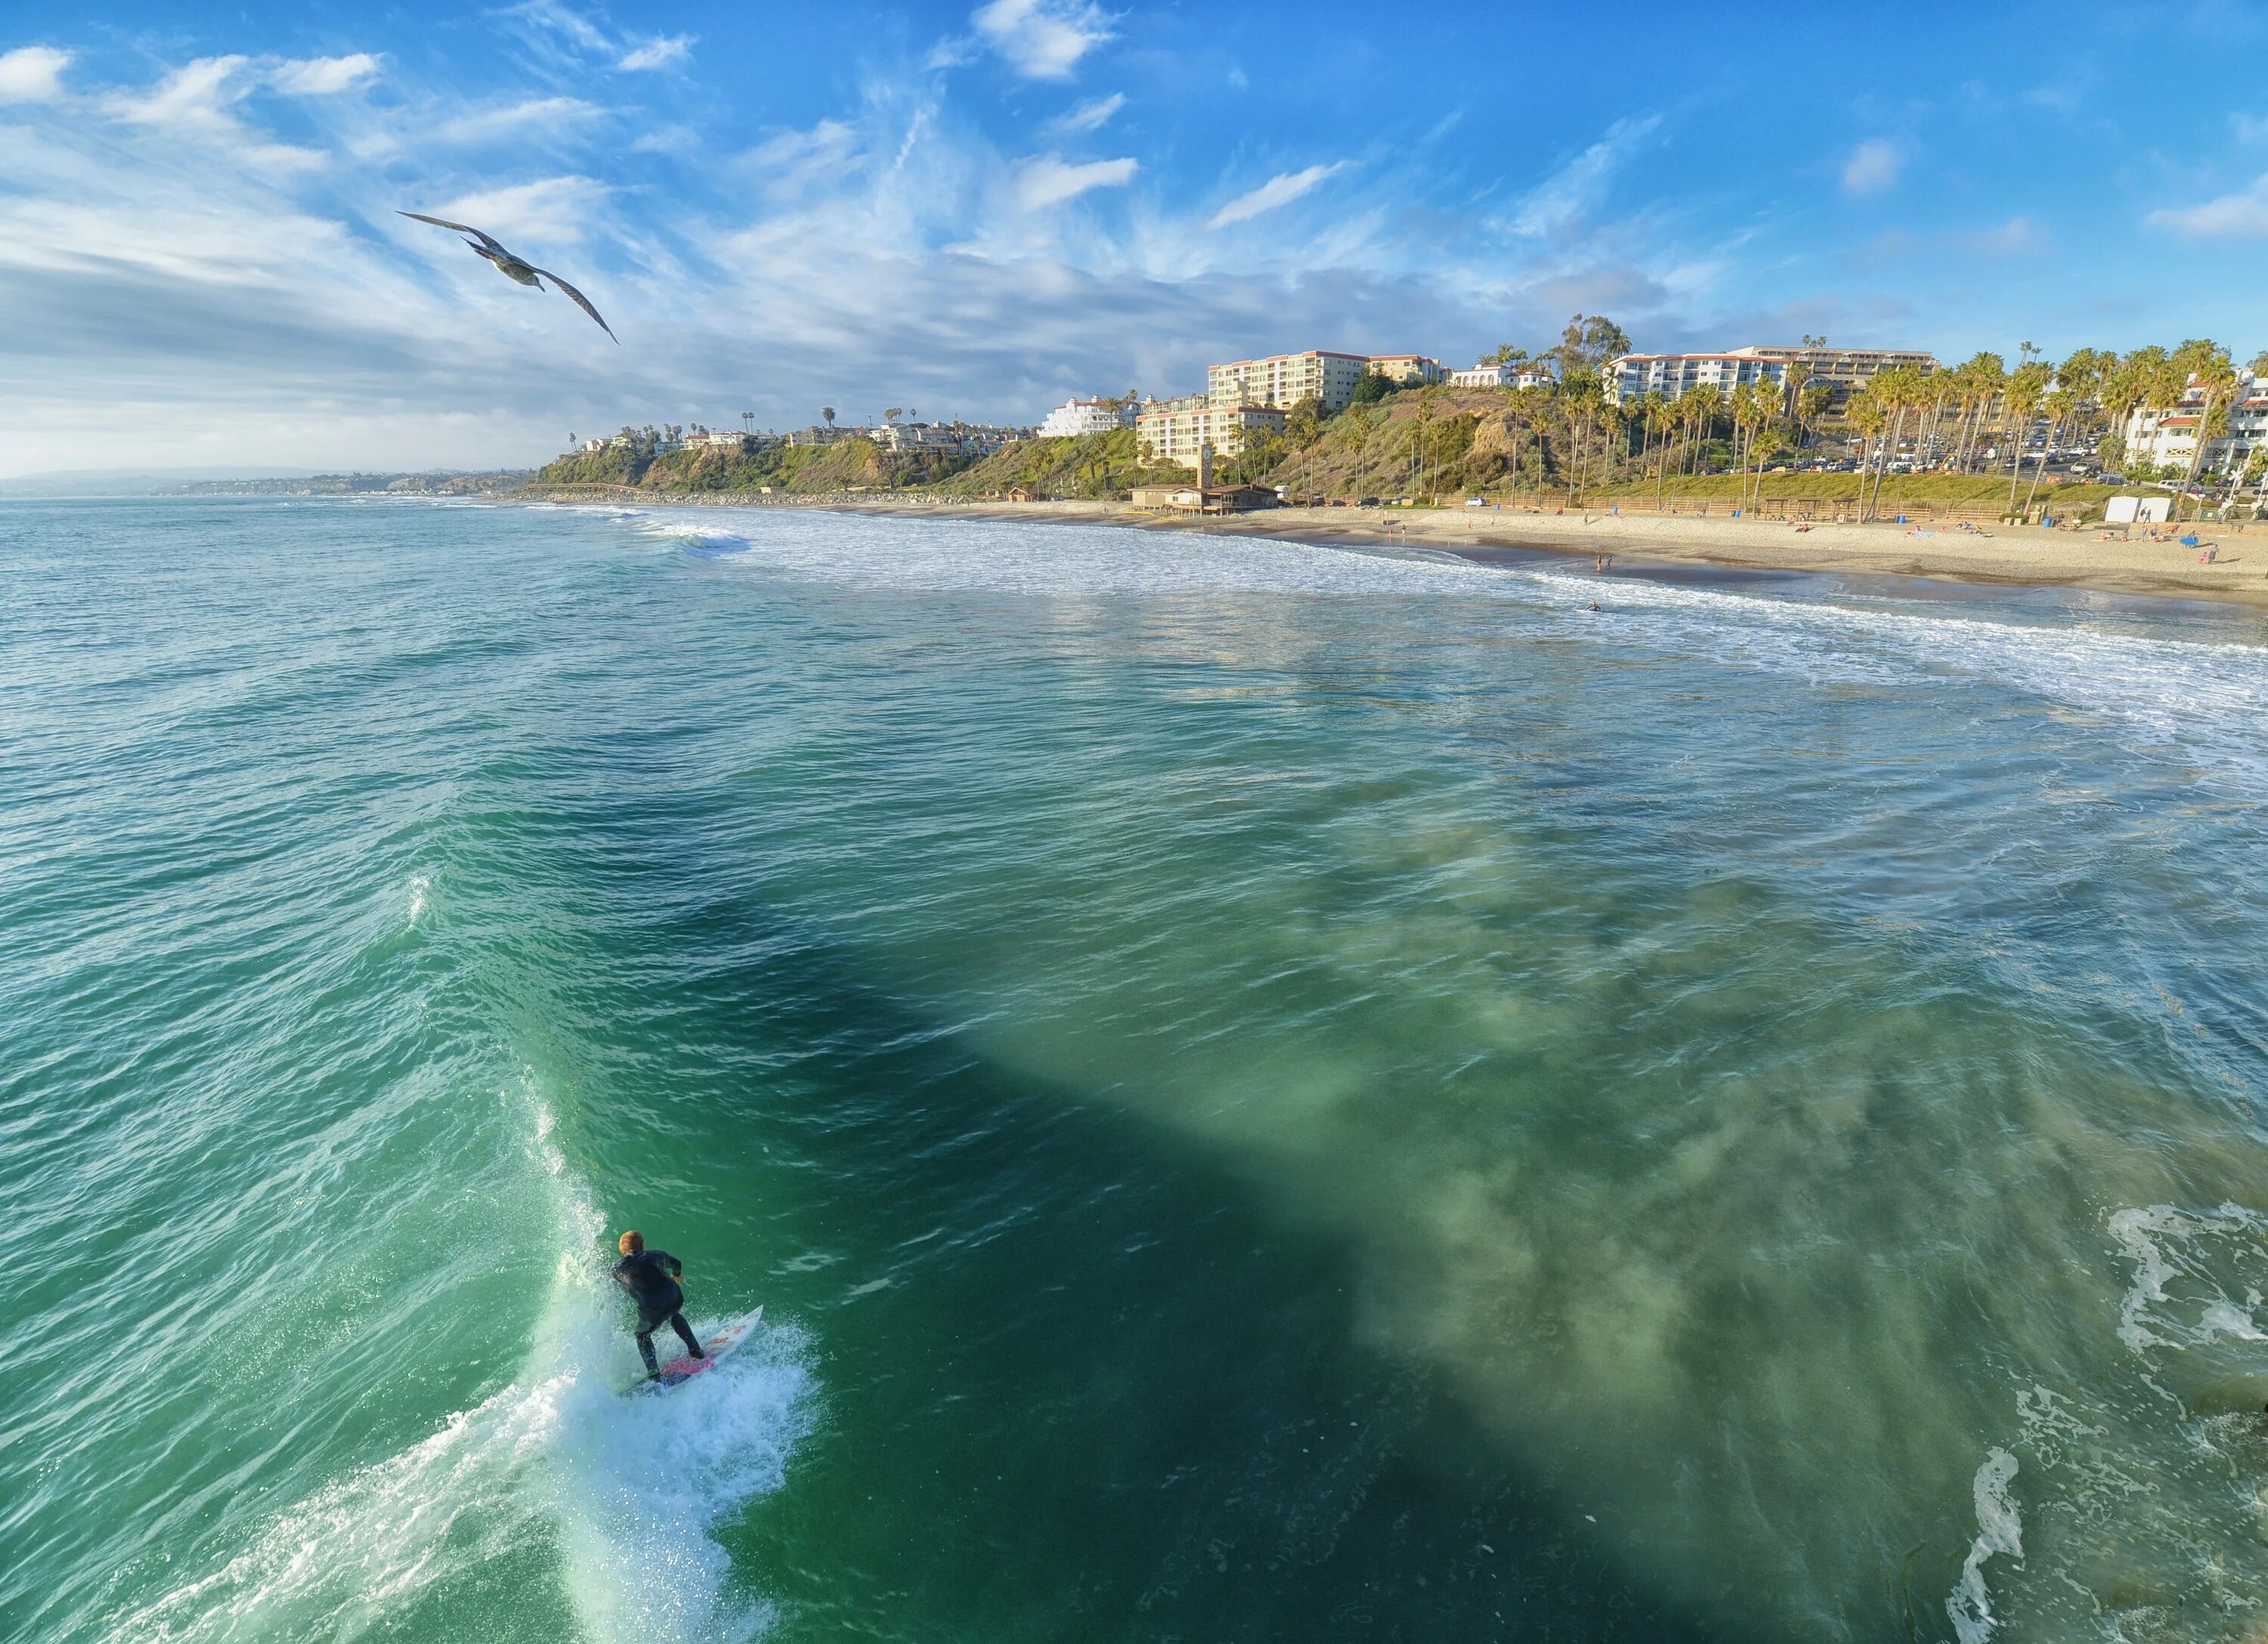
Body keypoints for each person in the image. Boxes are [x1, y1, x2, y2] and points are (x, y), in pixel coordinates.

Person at [612, 1230, 705, 1380]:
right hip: (675, 1298)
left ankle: (654, 1374)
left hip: (651, 1309)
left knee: (642, 1335)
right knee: (673, 1315)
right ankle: (695, 1350)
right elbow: (677, 1264)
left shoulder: (616, 1269)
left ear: (622, 1249)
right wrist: (677, 1275)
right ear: (641, 1245)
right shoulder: (656, 1254)